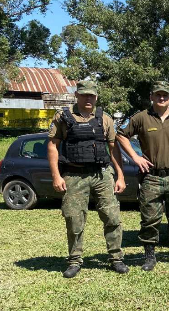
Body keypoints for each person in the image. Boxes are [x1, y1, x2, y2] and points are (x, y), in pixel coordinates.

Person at [47, 80, 129, 278]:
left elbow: (113, 148)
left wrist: (120, 176)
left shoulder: (105, 119)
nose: (88, 98)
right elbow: (52, 146)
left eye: (91, 95)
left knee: (112, 216)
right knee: (74, 219)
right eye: (84, 95)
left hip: (102, 174)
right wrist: (56, 176)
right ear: (77, 95)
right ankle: (74, 260)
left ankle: (116, 258)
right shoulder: (63, 117)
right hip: (74, 175)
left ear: (96, 97)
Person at [116, 81, 169, 271]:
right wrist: (135, 157)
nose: (162, 98)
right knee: (149, 219)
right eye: (158, 95)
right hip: (151, 177)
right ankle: (149, 256)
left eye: (165, 95)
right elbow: (121, 135)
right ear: (151, 97)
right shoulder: (141, 118)